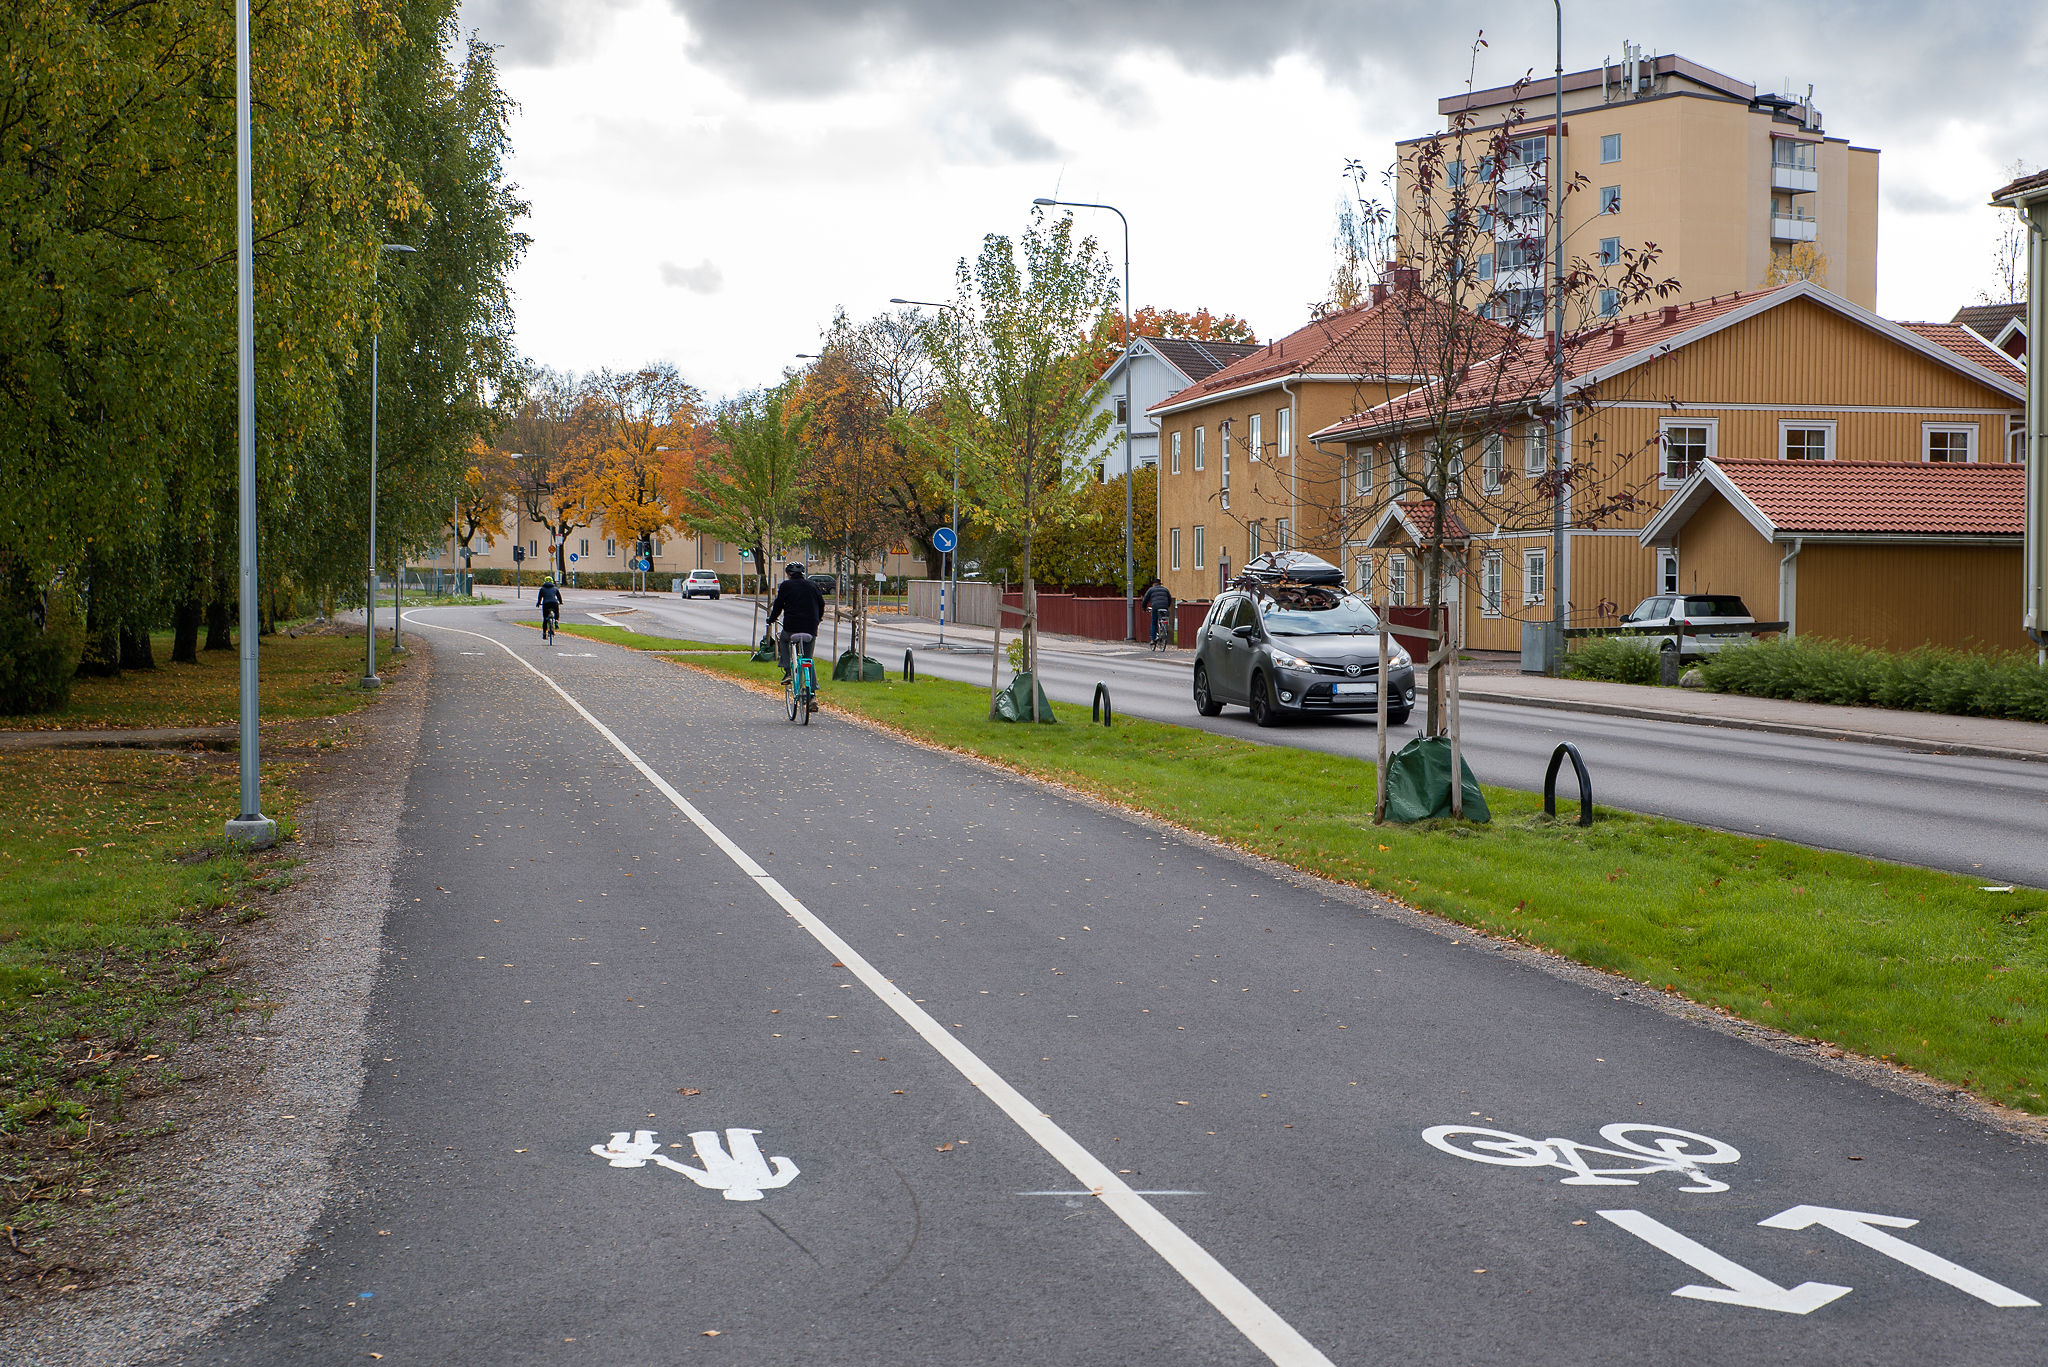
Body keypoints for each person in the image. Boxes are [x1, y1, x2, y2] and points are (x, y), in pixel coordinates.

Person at [764, 562, 824, 681]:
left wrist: (771, 619)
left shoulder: (786, 586)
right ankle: (812, 694)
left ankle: (787, 672)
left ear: (788, 574)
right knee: (808, 659)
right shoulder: (812, 585)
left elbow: (778, 606)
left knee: (783, 640)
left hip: (791, 627)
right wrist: (818, 619)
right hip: (810, 627)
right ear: (802, 573)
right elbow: (821, 604)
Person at [1142, 577, 1174, 645]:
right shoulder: (1165, 590)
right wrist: (1166, 606)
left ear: (1154, 584)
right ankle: (1163, 630)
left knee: (1154, 622)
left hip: (1155, 607)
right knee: (1162, 619)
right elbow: (1170, 599)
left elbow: (1145, 599)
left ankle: (1153, 639)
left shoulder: (1151, 590)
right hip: (1164, 607)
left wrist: (1144, 608)